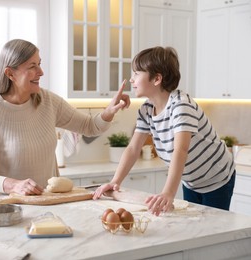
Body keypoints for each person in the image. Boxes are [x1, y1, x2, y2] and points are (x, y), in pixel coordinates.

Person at [0, 39, 131, 196]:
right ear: (10, 73)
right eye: (32, 66)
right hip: (10, 211)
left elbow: (90, 126)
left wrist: (109, 110)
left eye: (39, 64)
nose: (41, 72)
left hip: (49, 204)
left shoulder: (48, 101)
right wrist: (13, 185)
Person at [93, 46, 235, 215]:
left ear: (157, 79)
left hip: (217, 177)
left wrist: (168, 192)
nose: (131, 80)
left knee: (214, 229)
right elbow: (133, 148)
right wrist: (115, 182)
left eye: (137, 73)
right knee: (193, 225)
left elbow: (180, 150)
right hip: (190, 180)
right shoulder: (146, 110)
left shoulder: (181, 105)